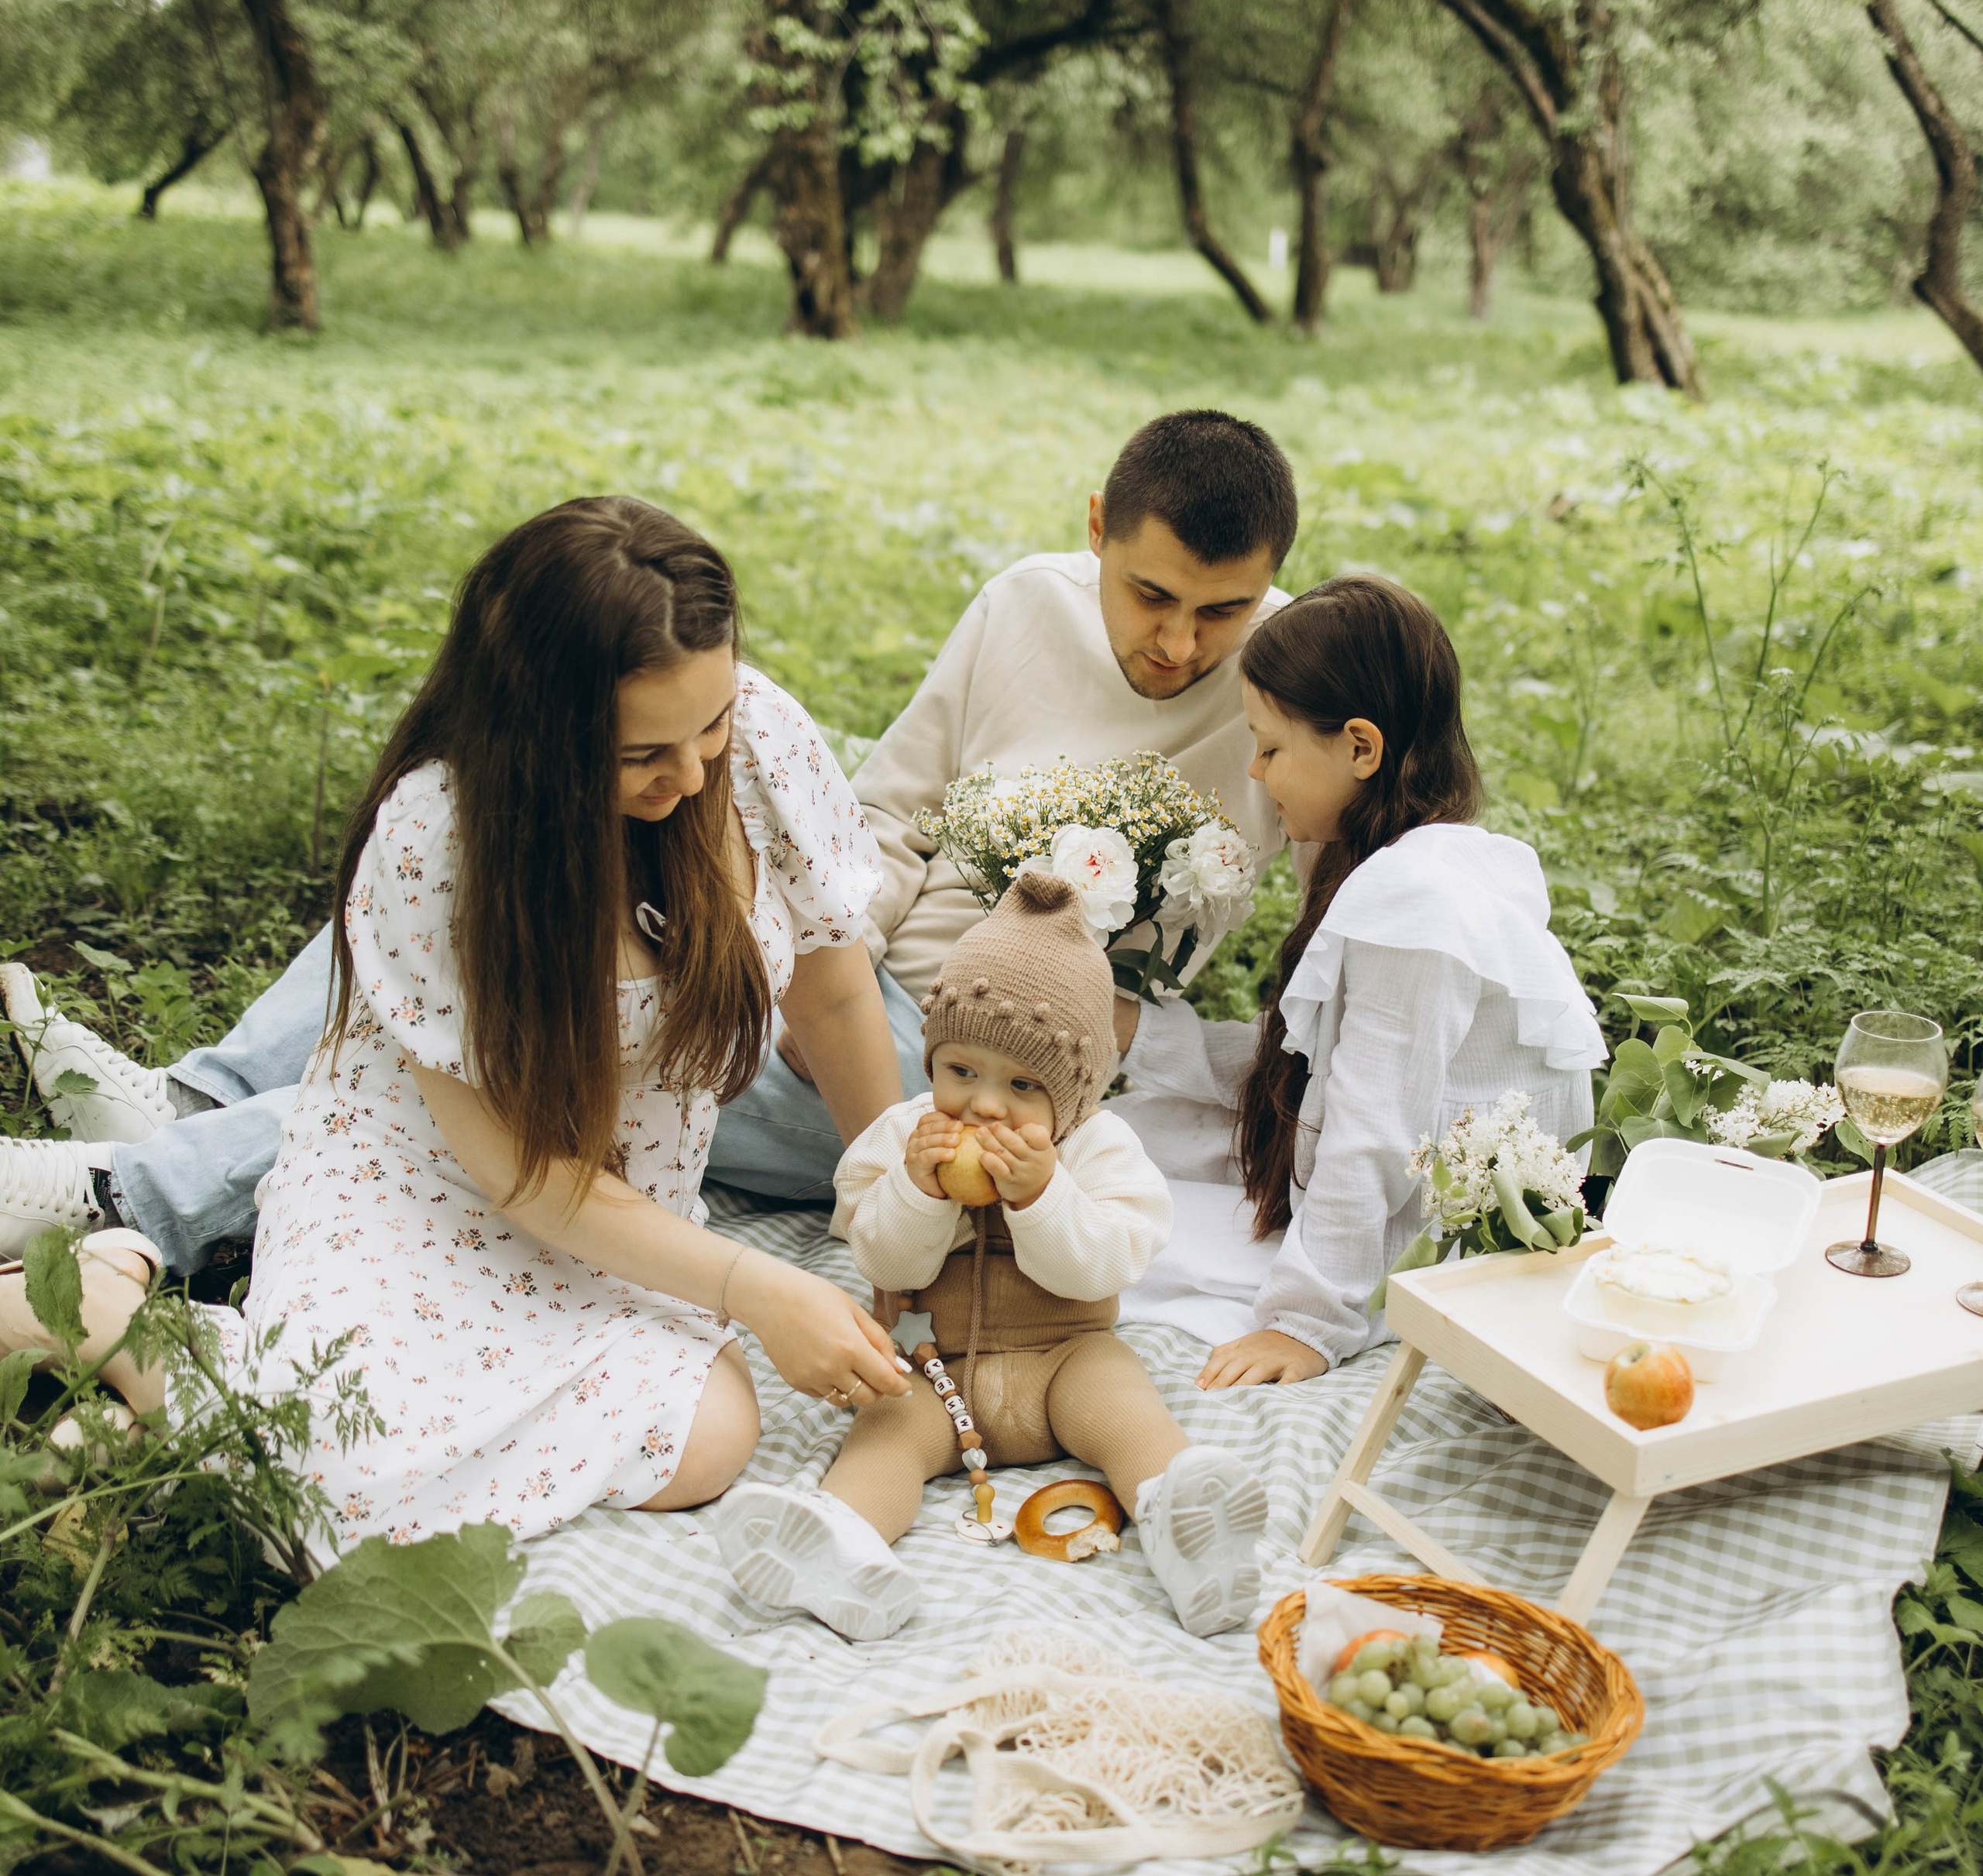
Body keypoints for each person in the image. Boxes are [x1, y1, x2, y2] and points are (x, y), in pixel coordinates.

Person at [0, 409, 1300, 1265]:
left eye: (1220, 610)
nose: (1178, 642)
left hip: (984, 1055)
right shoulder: (1023, 606)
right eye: (1151, 595)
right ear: (1094, 531)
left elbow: (1380, 837)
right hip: (861, 967)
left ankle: (143, 1184)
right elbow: (885, 817)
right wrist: (805, 954)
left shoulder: (1288, 687)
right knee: (470, 888)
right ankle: (195, 1104)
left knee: (573, 1070)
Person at [1, 498, 914, 1541]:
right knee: (353, 1477)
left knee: (706, 1438)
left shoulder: (753, 743)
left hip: (627, 1211)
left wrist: (892, 1208)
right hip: (426, 1190)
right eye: (641, 754)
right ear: (541, 736)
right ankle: (95, 1315)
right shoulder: (438, 840)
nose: (697, 771)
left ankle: (166, 1393)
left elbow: (837, 994)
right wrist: (757, 1287)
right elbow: (521, 1173)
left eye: (711, 723)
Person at [708, 871, 1269, 1641]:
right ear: (932, 1061)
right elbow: (881, 1259)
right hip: (932, 1365)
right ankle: (842, 1545)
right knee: (885, 1432)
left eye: (1022, 1085)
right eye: (960, 1071)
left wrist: (1042, 1197)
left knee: (1128, 1408)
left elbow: (1106, 1267)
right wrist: (919, 1192)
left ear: (1073, 1095)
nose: (984, 1104)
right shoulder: (903, 1136)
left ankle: (1184, 1523)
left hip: (1062, 1357)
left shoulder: (1101, 1149)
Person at [1114, 576, 1606, 1380]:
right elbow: (1315, 1075)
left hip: (1432, 1226)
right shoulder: (1388, 861)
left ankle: (1318, 1287)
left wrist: (1305, 1325)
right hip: (1374, 1165)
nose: (1257, 771)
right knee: (1119, 1139)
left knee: (1100, 1233)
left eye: (1271, 747)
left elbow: (1372, 1129)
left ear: (1360, 748)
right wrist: (1137, 1034)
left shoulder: (1413, 904)